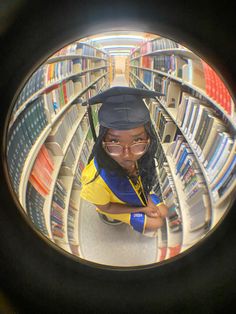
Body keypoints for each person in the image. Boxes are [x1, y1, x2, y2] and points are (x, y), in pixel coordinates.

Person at [80, 86, 168, 237]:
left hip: (136, 193)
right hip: (115, 204)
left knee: (164, 212)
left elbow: (140, 181)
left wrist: (147, 201)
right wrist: (141, 209)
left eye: (138, 140)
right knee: (157, 223)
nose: (127, 155)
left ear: (148, 138)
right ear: (102, 141)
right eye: (114, 141)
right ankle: (137, 222)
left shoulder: (143, 155)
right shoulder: (95, 179)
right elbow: (106, 207)